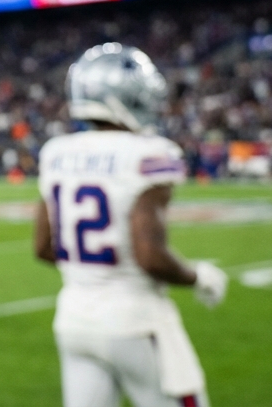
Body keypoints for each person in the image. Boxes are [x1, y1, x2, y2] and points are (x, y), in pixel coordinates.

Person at [34, 43, 229, 407]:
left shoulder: (56, 152)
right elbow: (150, 255)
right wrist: (198, 276)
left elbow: (44, 247)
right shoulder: (150, 154)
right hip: (136, 321)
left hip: (73, 320)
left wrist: (89, 275)